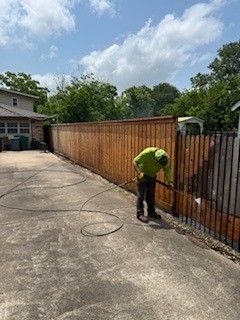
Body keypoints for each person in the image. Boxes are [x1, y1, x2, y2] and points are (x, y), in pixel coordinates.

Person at [133, 147, 173, 223]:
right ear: (155, 158)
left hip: (152, 175)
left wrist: (170, 182)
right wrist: (139, 173)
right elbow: (134, 161)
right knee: (141, 194)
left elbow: (167, 170)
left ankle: (151, 212)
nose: (160, 165)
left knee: (151, 194)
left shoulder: (165, 159)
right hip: (143, 175)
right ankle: (140, 213)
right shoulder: (147, 153)